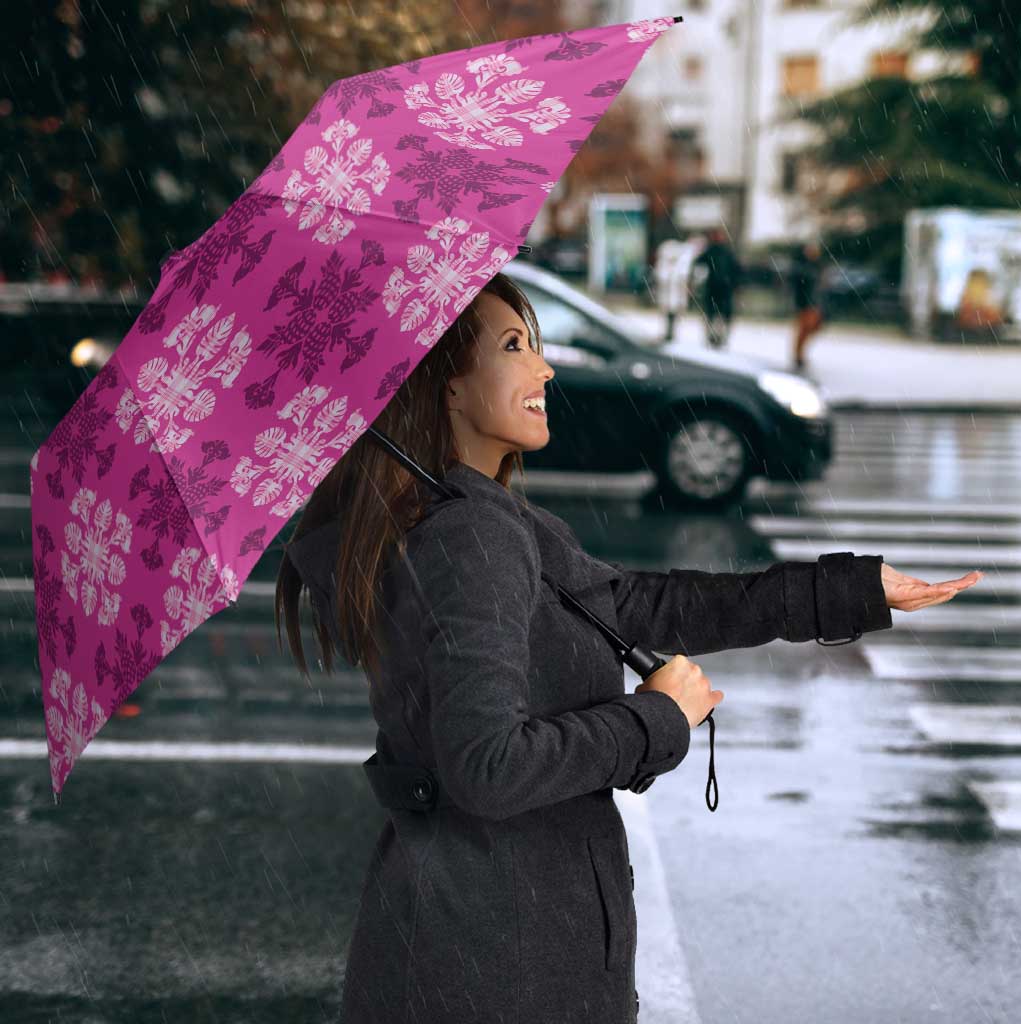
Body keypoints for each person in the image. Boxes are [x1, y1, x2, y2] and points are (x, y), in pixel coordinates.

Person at [274, 271, 959, 1024]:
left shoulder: (469, 519)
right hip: (501, 963)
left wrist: (851, 590)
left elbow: (637, 604)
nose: (546, 368)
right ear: (448, 388)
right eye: (514, 346)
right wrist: (657, 719)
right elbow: (488, 767)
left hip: (470, 944)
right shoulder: (471, 537)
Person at [692, 226, 742, 349]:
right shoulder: (712, 251)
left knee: (720, 315)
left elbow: (736, 270)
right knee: (713, 314)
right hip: (715, 288)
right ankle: (713, 337)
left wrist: (735, 284)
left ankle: (719, 337)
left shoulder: (725, 252)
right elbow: (698, 264)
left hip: (723, 288)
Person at [790, 239, 826, 370]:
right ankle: (798, 355)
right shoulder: (802, 267)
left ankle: (799, 354)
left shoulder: (817, 266)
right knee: (804, 329)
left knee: (812, 328)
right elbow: (799, 286)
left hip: (814, 303)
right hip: (805, 303)